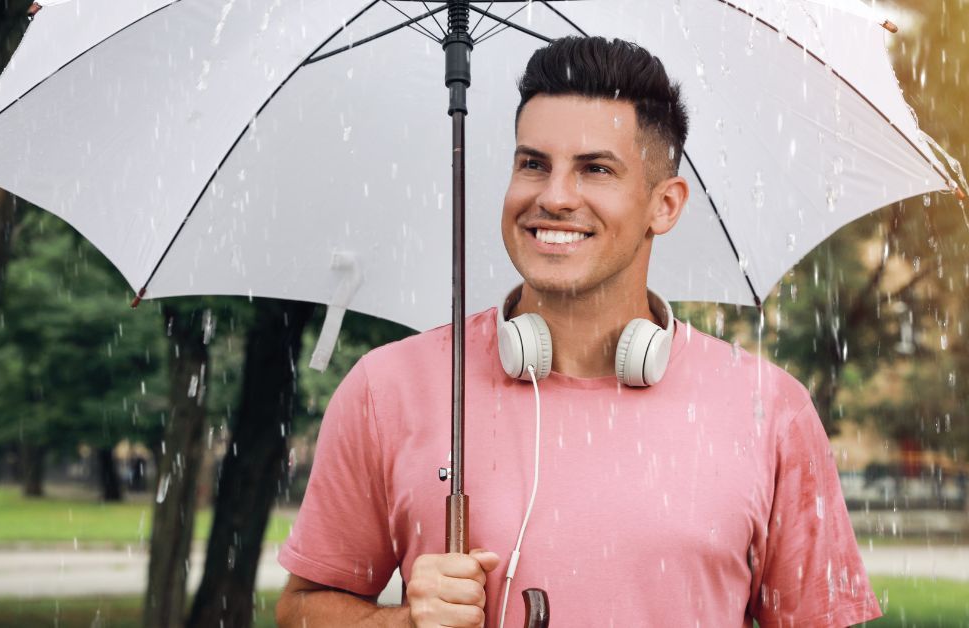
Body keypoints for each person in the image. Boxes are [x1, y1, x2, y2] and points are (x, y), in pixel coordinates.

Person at [275, 36, 881, 628]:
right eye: (533, 164)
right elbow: (302, 608)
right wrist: (403, 623)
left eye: (595, 169)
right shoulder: (388, 388)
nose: (554, 197)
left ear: (664, 205)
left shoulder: (769, 410)